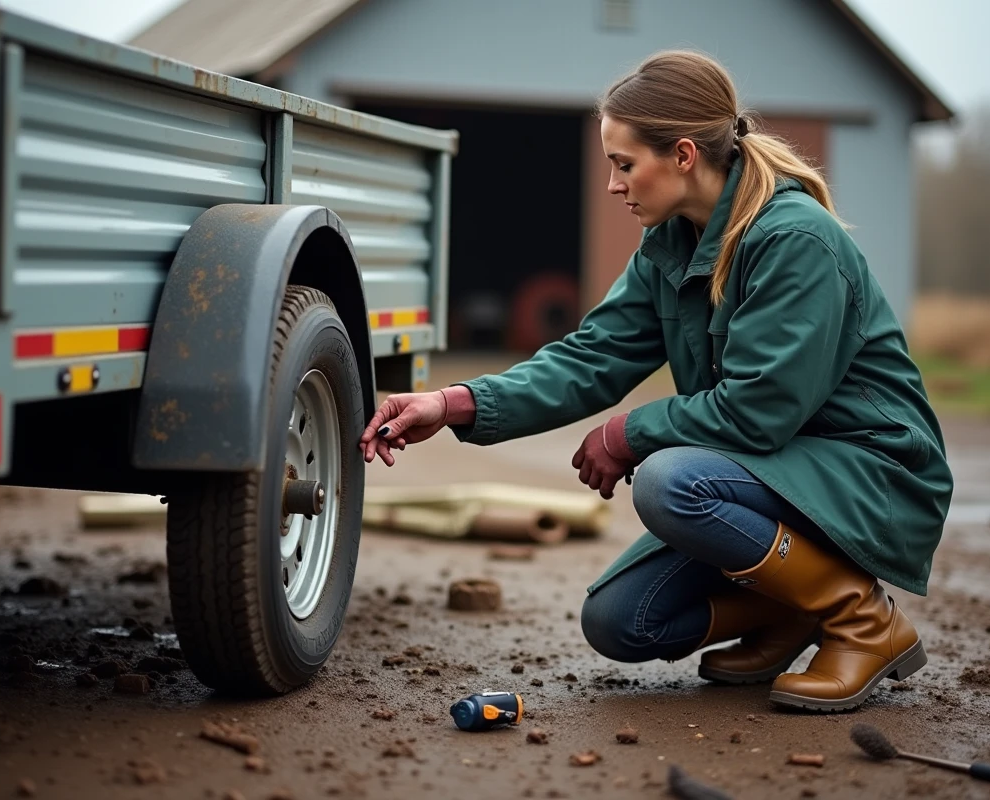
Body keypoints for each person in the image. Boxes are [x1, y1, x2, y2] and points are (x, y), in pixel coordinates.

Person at [358, 50, 953, 713]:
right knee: (621, 620)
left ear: (684, 155)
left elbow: (758, 411)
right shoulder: (670, 244)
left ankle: (863, 622)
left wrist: (629, 433)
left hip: (871, 471)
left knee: (673, 482)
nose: (613, 185)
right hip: (781, 474)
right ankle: (795, 609)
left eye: (623, 163)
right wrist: (453, 403)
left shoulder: (795, 241)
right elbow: (593, 356)